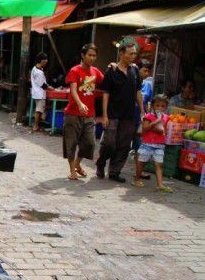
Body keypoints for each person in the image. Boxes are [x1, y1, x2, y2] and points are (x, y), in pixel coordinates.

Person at [96, 42, 145, 183]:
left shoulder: (135, 71)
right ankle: (101, 163)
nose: (133, 56)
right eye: (130, 53)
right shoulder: (111, 71)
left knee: (124, 145)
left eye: (134, 53)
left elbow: (138, 91)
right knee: (109, 143)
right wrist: (104, 115)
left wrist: (142, 109)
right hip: (112, 114)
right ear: (122, 54)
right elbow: (106, 93)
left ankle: (114, 172)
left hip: (129, 115)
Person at [63, 44, 104, 180]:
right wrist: (80, 103)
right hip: (73, 113)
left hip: (89, 114)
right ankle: (72, 170)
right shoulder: (75, 71)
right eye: (89, 55)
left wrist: (113, 67)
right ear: (83, 55)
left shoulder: (96, 72)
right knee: (71, 143)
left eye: (94, 55)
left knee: (89, 143)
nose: (92, 58)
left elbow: (106, 82)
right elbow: (73, 89)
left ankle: (77, 164)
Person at [132, 95, 173, 193]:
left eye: (162, 106)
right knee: (142, 163)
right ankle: (137, 179)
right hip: (147, 144)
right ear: (153, 106)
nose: (160, 108)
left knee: (159, 164)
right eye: (157, 106)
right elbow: (145, 128)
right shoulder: (148, 116)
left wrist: (163, 129)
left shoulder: (166, 117)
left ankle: (160, 184)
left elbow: (164, 130)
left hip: (160, 145)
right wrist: (156, 121)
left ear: (166, 107)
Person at [132, 61, 154, 180]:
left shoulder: (148, 85)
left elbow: (149, 103)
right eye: (144, 70)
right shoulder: (132, 80)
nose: (147, 73)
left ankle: (139, 171)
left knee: (138, 145)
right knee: (123, 144)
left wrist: (147, 116)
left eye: (148, 71)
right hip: (129, 116)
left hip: (139, 118)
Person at [30, 52, 51, 132]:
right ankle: (35, 126)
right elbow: (42, 84)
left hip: (37, 92)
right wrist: (50, 87)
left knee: (39, 109)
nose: (46, 62)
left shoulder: (35, 69)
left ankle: (37, 124)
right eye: (45, 61)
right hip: (40, 93)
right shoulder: (39, 72)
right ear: (42, 61)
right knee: (39, 110)